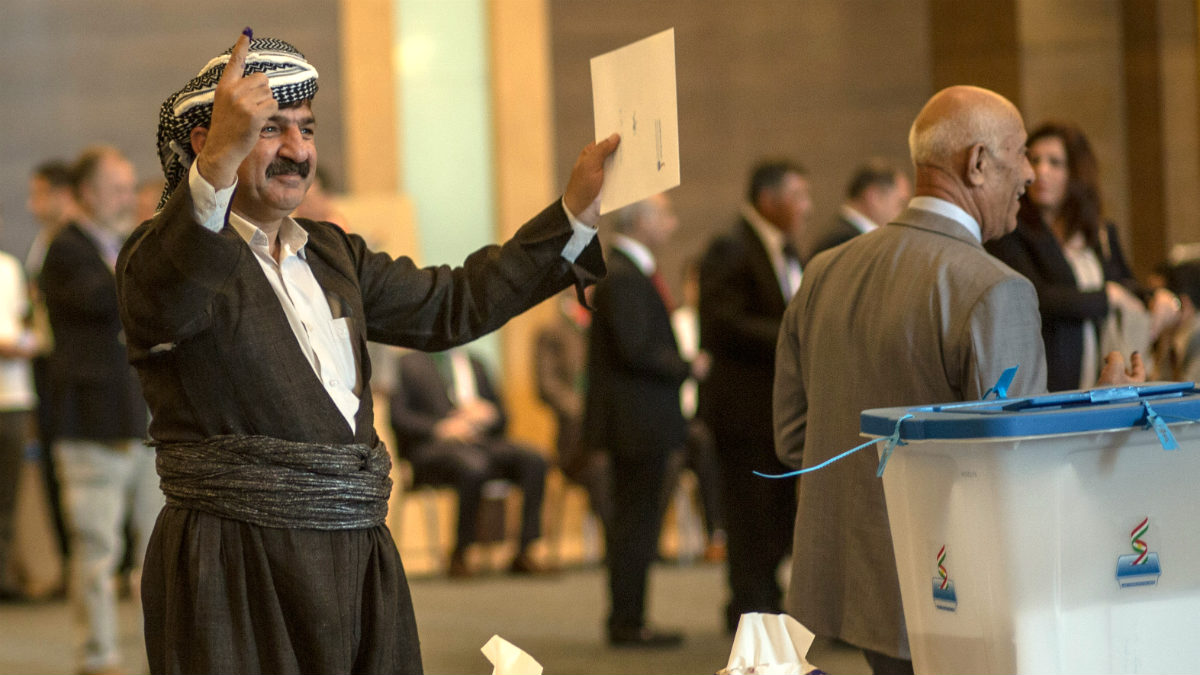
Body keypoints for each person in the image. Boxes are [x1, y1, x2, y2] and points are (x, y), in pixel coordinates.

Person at [115, 32, 617, 674]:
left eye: (307, 129)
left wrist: (573, 214)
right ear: (204, 143)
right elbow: (163, 304)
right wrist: (214, 169)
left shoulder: (332, 253)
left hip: (357, 555)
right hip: (233, 559)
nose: (298, 151)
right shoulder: (158, 256)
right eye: (270, 130)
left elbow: (453, 303)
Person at [773, 85, 1144, 675]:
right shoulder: (995, 289)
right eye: (1020, 153)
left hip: (854, 587)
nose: (1028, 173)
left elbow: (797, 439)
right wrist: (1107, 411)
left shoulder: (824, 270)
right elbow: (1022, 481)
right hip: (953, 597)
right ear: (976, 163)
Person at [41, 145, 163, 675]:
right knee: (95, 552)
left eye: (129, 184)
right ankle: (99, 657)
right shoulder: (64, 249)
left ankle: (163, 653)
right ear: (86, 193)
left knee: (157, 555)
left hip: (142, 422)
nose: (126, 196)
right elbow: (102, 301)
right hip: (90, 425)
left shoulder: (123, 244)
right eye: (115, 187)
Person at [584, 192, 703, 647]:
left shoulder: (628, 273)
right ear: (642, 221)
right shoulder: (626, 277)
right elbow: (637, 350)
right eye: (666, 215)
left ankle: (630, 617)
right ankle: (628, 621)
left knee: (636, 522)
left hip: (638, 422)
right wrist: (689, 365)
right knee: (635, 524)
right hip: (636, 424)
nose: (672, 224)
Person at [698, 159, 809, 633]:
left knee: (778, 509)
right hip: (743, 409)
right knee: (749, 511)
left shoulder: (787, 250)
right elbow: (722, 323)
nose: (806, 208)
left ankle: (765, 596)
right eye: (798, 196)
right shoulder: (732, 247)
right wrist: (794, 334)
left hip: (776, 409)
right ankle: (749, 605)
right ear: (769, 199)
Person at [986, 121, 1174, 391]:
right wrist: (1107, 297)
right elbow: (1037, 297)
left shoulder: (1099, 232)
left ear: (1076, 172)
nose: (1041, 171)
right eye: (1034, 160)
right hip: (1047, 378)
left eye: (1055, 163)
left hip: (1103, 372)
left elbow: (1125, 284)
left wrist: (1156, 298)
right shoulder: (1011, 231)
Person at [390, 347, 551, 578]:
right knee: (474, 466)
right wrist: (441, 428)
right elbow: (399, 418)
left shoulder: (477, 364)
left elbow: (503, 418)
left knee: (535, 461)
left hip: (482, 443)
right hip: (433, 449)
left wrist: (489, 414)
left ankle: (525, 551)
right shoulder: (409, 364)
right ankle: (460, 553)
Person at [24, 159, 79, 564]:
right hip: (44, 364)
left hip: (67, 370)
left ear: (62, 195)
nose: (31, 205)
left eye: (38, 194)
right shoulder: (46, 240)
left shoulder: (72, 244)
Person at [534, 289, 612, 530]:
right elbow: (547, 387)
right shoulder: (552, 332)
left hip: (610, 431)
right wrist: (586, 411)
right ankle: (617, 542)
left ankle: (640, 541)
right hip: (576, 441)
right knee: (602, 464)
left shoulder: (603, 328)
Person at [0, 215, 38, 601]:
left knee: (8, 497)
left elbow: (26, 323)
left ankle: (5, 577)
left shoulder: (9, 267)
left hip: (13, 397)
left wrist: (30, 341)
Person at [805, 158, 910, 260]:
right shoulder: (843, 240)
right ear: (874, 197)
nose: (904, 212)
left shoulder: (848, 235)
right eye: (900, 203)